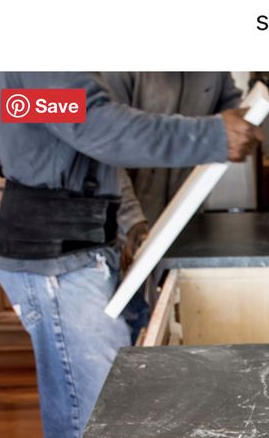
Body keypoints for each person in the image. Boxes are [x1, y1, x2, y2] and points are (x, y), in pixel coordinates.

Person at [0, 71, 261, 438]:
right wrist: (209, 136)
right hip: (59, 263)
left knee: (105, 424)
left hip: (79, 253)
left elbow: (84, 129)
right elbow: (97, 126)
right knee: (93, 436)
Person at [98, 72, 245, 340]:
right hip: (128, 216)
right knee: (126, 320)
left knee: (170, 312)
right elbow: (105, 148)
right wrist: (130, 219)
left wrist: (242, 122)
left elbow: (231, 107)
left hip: (183, 213)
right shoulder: (119, 69)